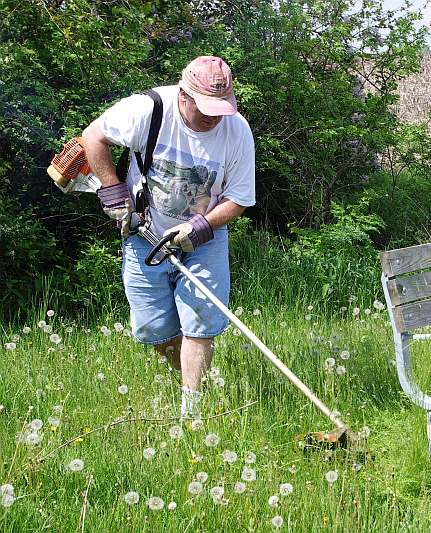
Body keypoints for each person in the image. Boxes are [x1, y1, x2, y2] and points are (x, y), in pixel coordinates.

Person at [81, 56, 256, 418]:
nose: (214, 117)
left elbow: (239, 198)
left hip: (204, 240)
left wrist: (201, 226)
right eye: (207, 108)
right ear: (185, 94)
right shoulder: (149, 109)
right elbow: (92, 137)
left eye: (221, 107)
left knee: (201, 322)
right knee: (155, 329)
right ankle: (190, 381)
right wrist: (114, 193)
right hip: (144, 236)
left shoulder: (237, 131)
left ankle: (192, 412)